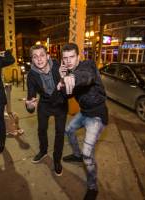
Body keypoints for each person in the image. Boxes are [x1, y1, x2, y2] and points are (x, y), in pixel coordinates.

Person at [57, 43, 108, 200]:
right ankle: (76, 155)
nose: (69, 61)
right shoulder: (67, 74)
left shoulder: (88, 65)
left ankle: (93, 187)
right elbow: (67, 96)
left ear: (78, 57)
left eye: (72, 57)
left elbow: (87, 76)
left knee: (88, 155)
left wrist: (73, 77)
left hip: (97, 115)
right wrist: (62, 81)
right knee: (69, 130)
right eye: (65, 58)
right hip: (84, 112)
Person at [25, 44, 68, 176]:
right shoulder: (31, 75)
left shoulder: (58, 66)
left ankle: (56, 160)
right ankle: (43, 151)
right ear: (32, 60)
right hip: (44, 103)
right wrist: (30, 105)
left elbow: (69, 90)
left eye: (42, 55)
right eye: (35, 56)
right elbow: (31, 97)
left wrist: (64, 81)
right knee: (41, 129)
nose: (39, 59)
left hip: (60, 102)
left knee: (60, 133)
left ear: (47, 56)